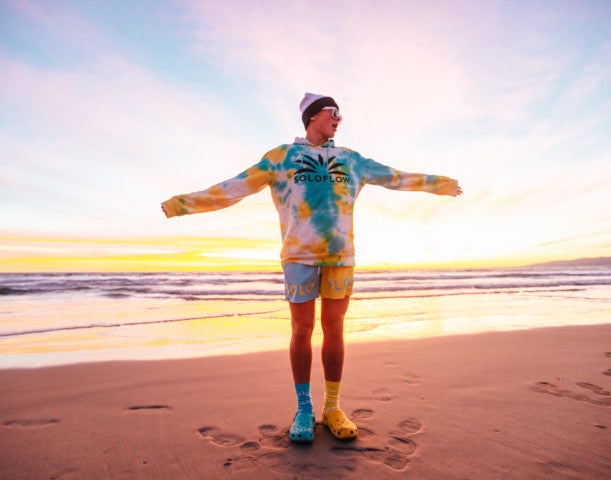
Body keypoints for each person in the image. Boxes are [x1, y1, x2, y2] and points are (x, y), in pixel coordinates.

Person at [161, 92, 463, 443]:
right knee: (302, 330)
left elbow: (395, 177)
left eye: (339, 114)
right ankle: (304, 408)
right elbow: (234, 188)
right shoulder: (282, 157)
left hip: (340, 256)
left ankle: (332, 407)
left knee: (334, 329)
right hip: (298, 255)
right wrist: (181, 205)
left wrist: (443, 185)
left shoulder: (351, 159)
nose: (339, 119)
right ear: (314, 115)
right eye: (334, 112)